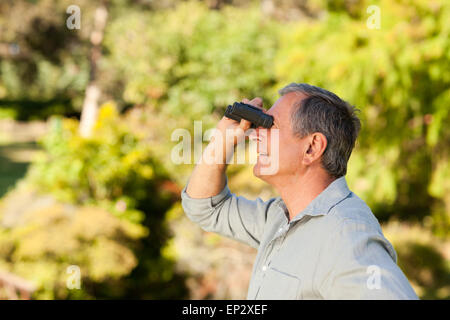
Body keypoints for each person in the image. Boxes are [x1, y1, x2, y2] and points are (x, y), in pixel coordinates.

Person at [181, 83, 418, 299]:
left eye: (269, 125)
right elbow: (205, 206)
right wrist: (222, 140)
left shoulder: (345, 235)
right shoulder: (279, 218)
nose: (255, 135)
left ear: (312, 148)